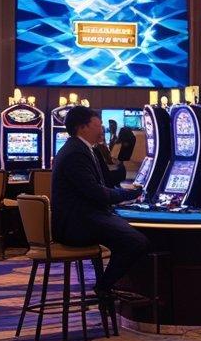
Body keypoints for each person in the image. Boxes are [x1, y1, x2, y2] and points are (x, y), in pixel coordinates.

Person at [50, 106, 146, 301]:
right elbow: (96, 193)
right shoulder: (75, 154)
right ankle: (104, 287)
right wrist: (128, 196)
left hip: (83, 217)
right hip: (76, 225)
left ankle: (108, 285)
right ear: (83, 127)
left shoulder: (84, 149)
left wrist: (126, 186)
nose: (102, 129)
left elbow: (104, 182)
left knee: (129, 235)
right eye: (98, 125)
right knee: (136, 242)